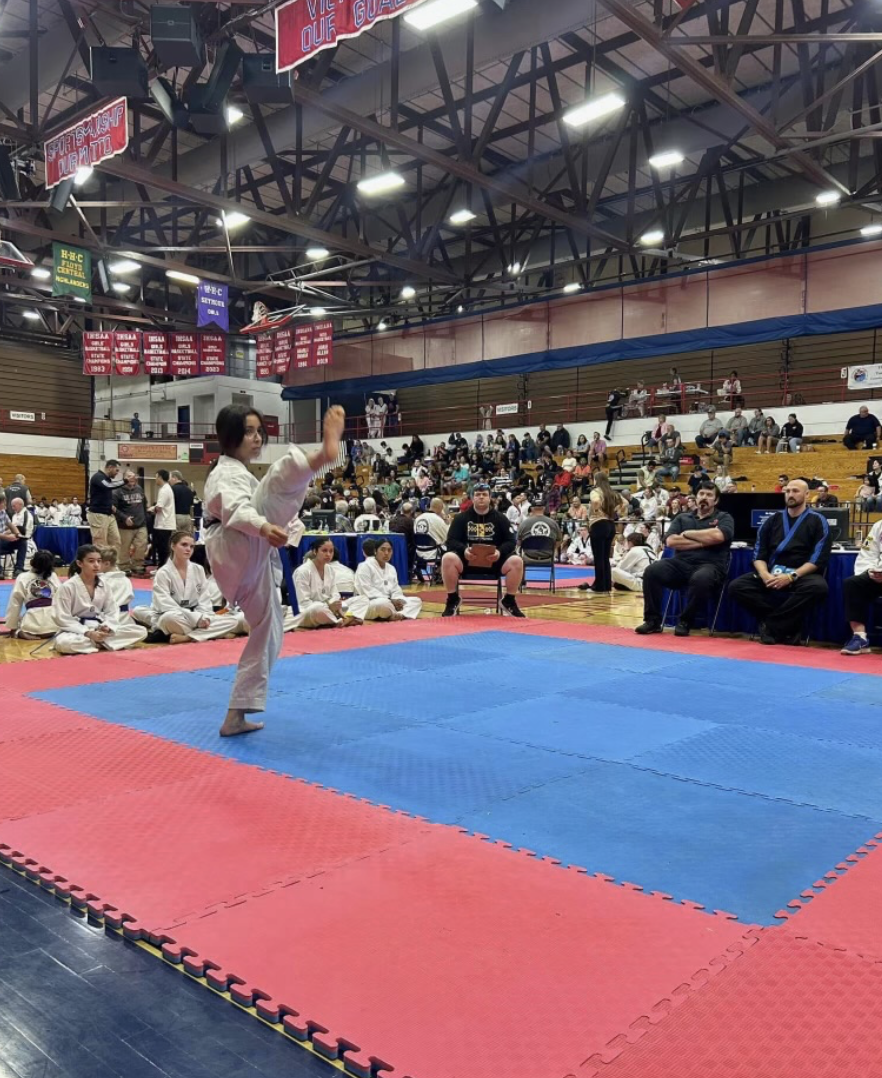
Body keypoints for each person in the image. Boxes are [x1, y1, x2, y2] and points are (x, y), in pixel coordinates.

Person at [203, 404, 345, 735]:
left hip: (245, 552)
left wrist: (282, 527)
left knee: (269, 629)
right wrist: (266, 527)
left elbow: (256, 510)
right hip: (235, 544)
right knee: (272, 488)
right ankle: (321, 456)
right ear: (230, 436)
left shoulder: (237, 472)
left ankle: (235, 714)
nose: (257, 438)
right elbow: (239, 510)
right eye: (249, 431)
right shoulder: (224, 474)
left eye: (259, 432)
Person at [728, 479, 832, 645]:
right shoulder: (771, 520)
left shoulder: (818, 521)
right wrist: (764, 575)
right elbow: (758, 554)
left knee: (818, 588)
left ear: (807, 494)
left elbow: (818, 559)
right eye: (788, 491)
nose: (790, 494)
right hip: (772, 572)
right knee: (737, 587)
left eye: (795, 491)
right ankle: (788, 626)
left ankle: (771, 626)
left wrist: (791, 576)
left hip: (800, 575)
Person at [635, 483, 734, 636]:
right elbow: (671, 541)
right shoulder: (682, 518)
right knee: (651, 571)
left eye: (709, 495)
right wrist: (704, 541)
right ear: (696, 496)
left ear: (716, 500)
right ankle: (652, 620)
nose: (704, 498)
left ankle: (686, 621)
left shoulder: (724, 517)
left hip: (711, 566)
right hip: (680, 565)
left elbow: (718, 536)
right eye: (701, 494)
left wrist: (687, 534)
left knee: (701, 578)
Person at [441, 483, 525, 617]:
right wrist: (464, 550)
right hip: (468, 562)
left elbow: (511, 541)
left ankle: (509, 600)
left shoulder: (501, 518)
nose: (481, 497)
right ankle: (452, 599)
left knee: (517, 561)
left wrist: (499, 552)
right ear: (472, 498)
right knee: (448, 558)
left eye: (484, 495)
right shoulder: (461, 518)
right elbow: (451, 541)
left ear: (490, 498)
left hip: (494, 562)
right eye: (478, 495)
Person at [147, 531, 247, 643]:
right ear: (173, 545)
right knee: (169, 618)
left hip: (196, 616)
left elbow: (204, 600)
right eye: (184, 545)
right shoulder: (163, 573)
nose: (188, 549)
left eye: (191, 546)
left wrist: (203, 617)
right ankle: (211, 633)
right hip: (176, 617)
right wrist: (196, 619)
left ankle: (188, 636)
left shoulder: (198, 569)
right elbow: (165, 605)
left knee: (232, 621)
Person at [52, 544, 148, 654]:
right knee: (65, 644)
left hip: (98, 627)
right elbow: (62, 617)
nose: (96, 565)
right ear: (79, 563)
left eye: (99, 561)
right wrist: (87, 632)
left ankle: (97, 642)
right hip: (76, 631)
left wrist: (107, 627)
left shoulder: (104, 585)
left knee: (141, 631)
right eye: (91, 561)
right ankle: (101, 642)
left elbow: (112, 610)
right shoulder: (67, 587)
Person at [292, 537, 361, 629]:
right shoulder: (302, 571)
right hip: (308, 611)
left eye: (331, 551)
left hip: (330, 609)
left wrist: (335, 605)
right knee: (317, 609)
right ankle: (342, 620)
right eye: (324, 551)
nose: (328, 554)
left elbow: (335, 594)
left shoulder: (330, 569)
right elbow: (303, 602)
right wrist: (328, 607)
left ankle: (341, 619)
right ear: (315, 551)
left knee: (361, 599)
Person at [348, 538, 422, 622]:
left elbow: (395, 589)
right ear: (375, 551)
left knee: (416, 601)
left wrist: (397, 599)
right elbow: (366, 591)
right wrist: (390, 600)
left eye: (389, 550)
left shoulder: (391, 568)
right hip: (369, 603)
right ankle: (395, 614)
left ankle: (400, 615)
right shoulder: (365, 566)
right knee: (382, 603)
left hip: (390, 603)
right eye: (383, 550)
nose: (386, 553)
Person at [841, 518, 882, 654]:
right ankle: (860, 637)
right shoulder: (879, 526)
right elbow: (868, 554)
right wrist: (871, 571)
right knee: (853, 584)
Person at [5, 549, 59, 638]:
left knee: (20, 623)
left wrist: (12, 628)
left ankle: (21, 633)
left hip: (33, 626)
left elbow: (15, 604)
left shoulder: (22, 577)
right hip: (55, 625)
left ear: (31, 562)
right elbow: (62, 600)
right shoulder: (53, 576)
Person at [586, 473, 620, 594]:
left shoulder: (596, 491)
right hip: (610, 524)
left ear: (596, 480)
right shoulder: (612, 492)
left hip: (598, 523)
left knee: (598, 557)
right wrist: (613, 510)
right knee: (605, 557)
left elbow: (595, 501)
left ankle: (599, 585)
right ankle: (606, 584)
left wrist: (595, 510)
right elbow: (624, 503)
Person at [114, 471, 149, 576]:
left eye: (133, 476)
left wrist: (144, 518)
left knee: (141, 545)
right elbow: (113, 509)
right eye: (129, 476)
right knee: (124, 547)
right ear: (124, 478)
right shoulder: (117, 491)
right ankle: (124, 566)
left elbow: (144, 504)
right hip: (125, 526)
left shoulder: (139, 489)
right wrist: (124, 518)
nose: (132, 478)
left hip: (140, 524)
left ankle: (137, 565)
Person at [87, 459, 123, 552]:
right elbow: (108, 486)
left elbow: (103, 496)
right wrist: (125, 481)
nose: (117, 473)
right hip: (98, 515)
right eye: (117, 470)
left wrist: (110, 505)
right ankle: (100, 566)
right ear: (110, 468)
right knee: (100, 545)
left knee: (116, 542)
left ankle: (112, 565)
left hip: (109, 515)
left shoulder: (107, 479)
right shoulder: (97, 477)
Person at [149, 470, 176, 568]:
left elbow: (159, 507)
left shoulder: (164, 490)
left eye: (156, 477)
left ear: (160, 477)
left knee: (162, 549)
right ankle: (162, 567)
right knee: (163, 548)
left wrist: (151, 509)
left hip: (163, 524)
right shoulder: (167, 488)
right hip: (165, 524)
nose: (155, 480)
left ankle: (162, 568)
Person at [98, 547, 134, 616]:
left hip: (107, 617)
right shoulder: (126, 580)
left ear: (107, 564)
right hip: (125, 617)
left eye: (98, 562)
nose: (95, 565)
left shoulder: (102, 581)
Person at [0, 495, 26, 578]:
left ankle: (18, 569)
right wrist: (7, 537)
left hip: (3, 541)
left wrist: (17, 534)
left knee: (22, 542)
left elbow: (11, 525)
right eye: (4, 502)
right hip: (2, 539)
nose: (5, 504)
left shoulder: (3, 512)